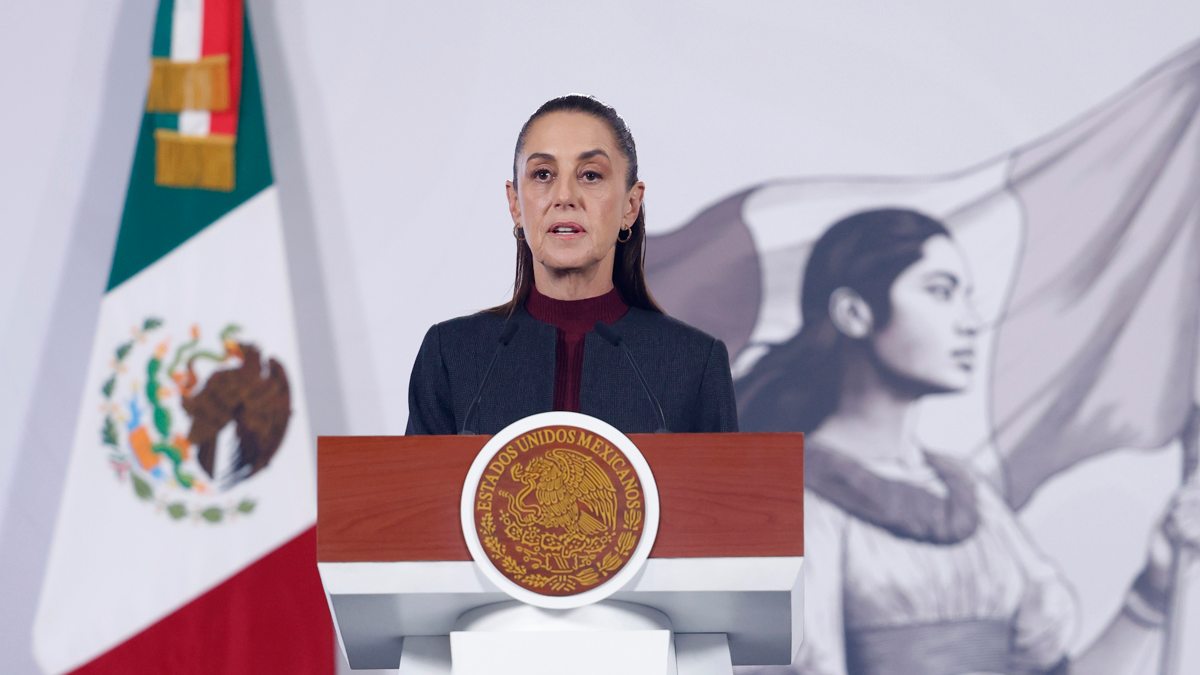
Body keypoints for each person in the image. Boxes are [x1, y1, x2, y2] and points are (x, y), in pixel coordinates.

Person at [735, 209, 1200, 674]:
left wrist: (1153, 590)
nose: (971, 321)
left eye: (966, 297)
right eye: (941, 292)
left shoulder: (972, 497)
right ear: (854, 313)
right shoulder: (775, 501)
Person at [405, 95, 738, 436]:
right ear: (515, 203)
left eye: (591, 175)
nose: (564, 196)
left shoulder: (694, 363)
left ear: (631, 205)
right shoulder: (451, 356)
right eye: (543, 174)